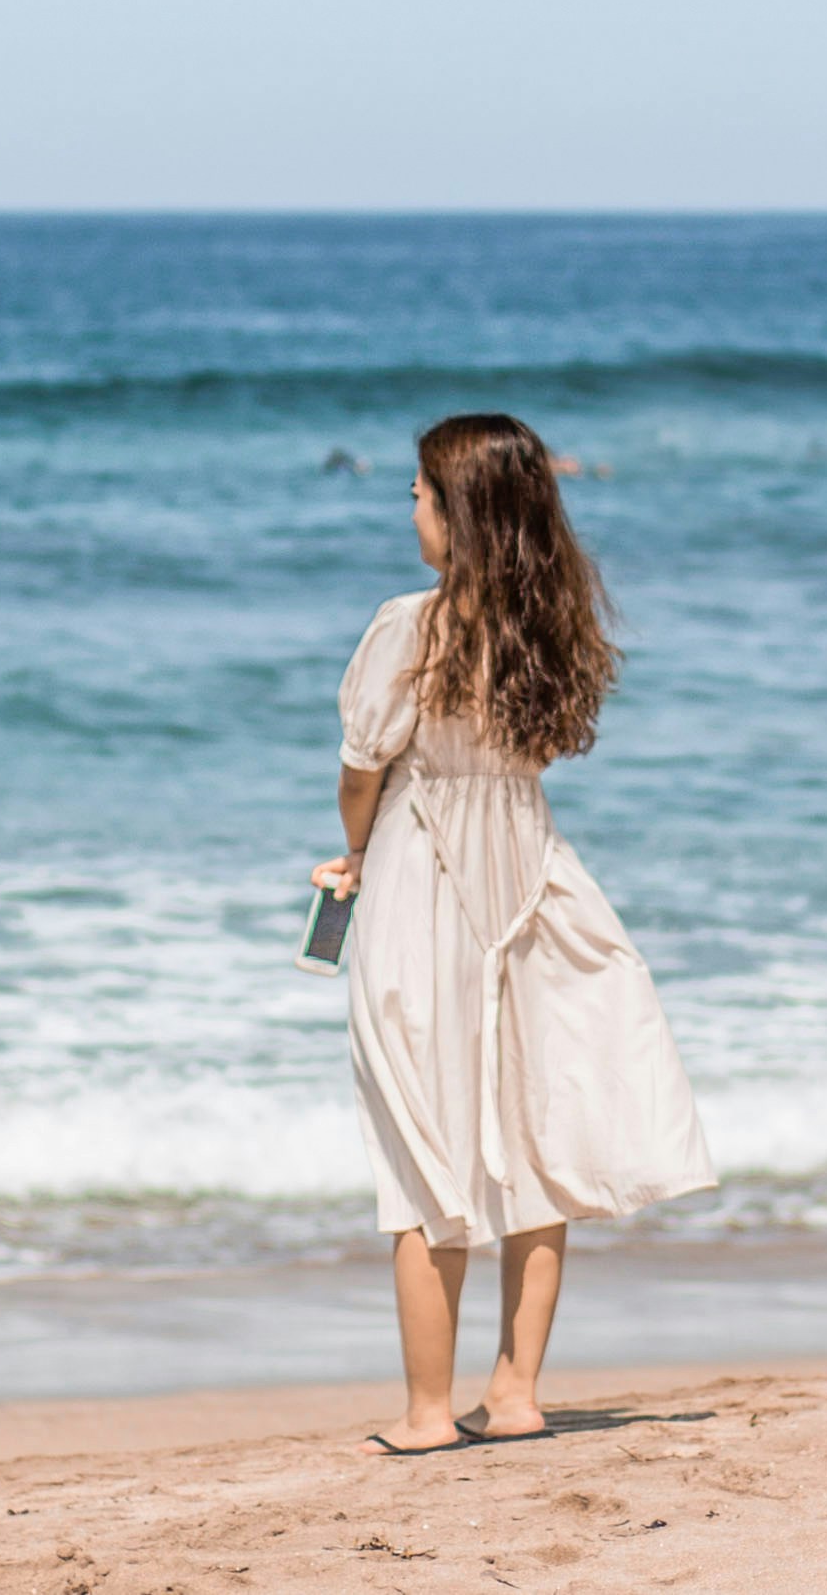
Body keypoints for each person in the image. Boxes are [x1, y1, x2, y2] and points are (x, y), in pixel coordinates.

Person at [310, 412, 717, 1457]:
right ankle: (519, 1391)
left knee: (421, 1145)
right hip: (533, 872)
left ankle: (426, 1413)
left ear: (461, 515)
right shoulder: (550, 626)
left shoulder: (410, 624)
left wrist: (351, 853)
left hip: (423, 878)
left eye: (419, 493)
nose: (409, 507)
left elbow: (365, 768)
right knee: (536, 1133)